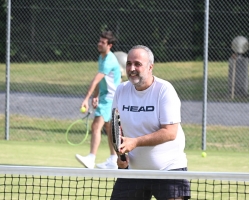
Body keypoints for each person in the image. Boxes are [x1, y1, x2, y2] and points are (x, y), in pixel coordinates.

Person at [110, 45, 190, 199]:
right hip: (133, 172)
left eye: (137, 64)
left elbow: (170, 132)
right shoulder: (121, 90)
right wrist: (120, 157)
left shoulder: (164, 90)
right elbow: (116, 127)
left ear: (150, 67)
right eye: (129, 63)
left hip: (169, 170)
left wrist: (135, 142)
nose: (132, 68)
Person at [75, 31, 121, 169]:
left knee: (96, 126)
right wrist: (96, 96)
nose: (99, 44)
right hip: (107, 97)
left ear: (110, 45)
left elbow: (96, 80)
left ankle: (91, 158)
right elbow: (102, 81)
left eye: (103, 42)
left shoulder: (109, 60)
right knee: (108, 128)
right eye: (99, 41)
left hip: (110, 98)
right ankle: (113, 160)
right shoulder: (101, 57)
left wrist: (86, 99)